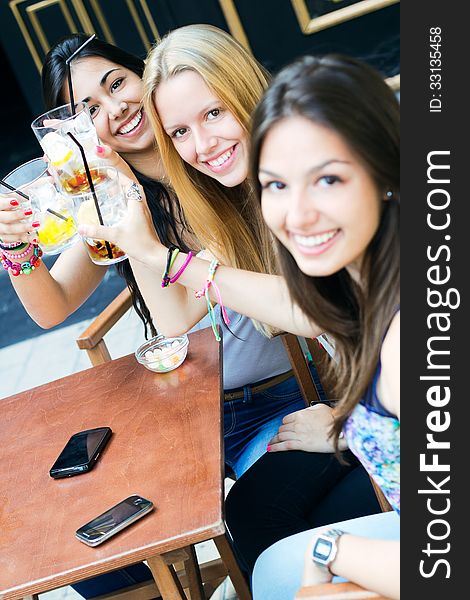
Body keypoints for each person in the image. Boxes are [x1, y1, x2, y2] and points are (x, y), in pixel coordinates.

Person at [77, 22, 383, 581]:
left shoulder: (314, 164)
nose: (203, 145)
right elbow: (300, 308)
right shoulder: (249, 192)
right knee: (248, 518)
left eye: (213, 114)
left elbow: (317, 309)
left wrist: (347, 422)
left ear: (244, 91)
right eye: (181, 133)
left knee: (271, 541)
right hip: (360, 405)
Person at [240, 54, 400, 599]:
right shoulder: (359, 288)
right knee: (271, 568)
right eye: (276, 185)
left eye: (327, 179)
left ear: (385, 172)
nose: (297, 214)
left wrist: (335, 553)